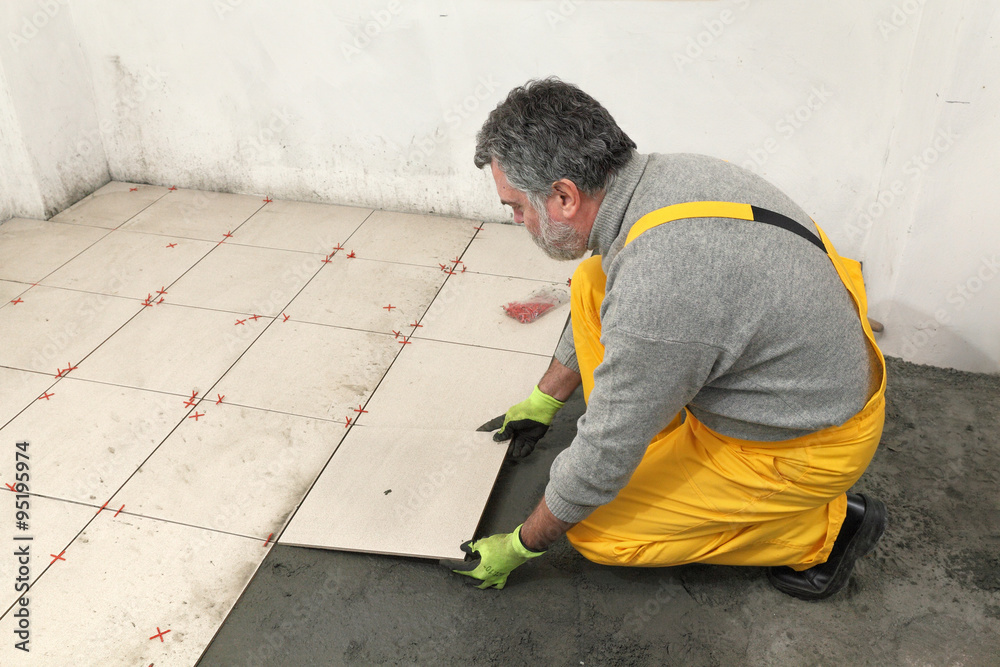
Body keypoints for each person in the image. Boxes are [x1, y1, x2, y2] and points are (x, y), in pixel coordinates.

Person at [448, 78, 887, 601]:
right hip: (800, 364)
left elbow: (604, 454)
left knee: (596, 531)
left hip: (800, 443)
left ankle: (827, 530)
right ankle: (661, 433)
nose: (517, 220)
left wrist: (521, 545)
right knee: (594, 279)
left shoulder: (662, 287)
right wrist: (546, 400)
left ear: (564, 196)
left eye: (516, 207)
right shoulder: (665, 178)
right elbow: (625, 302)